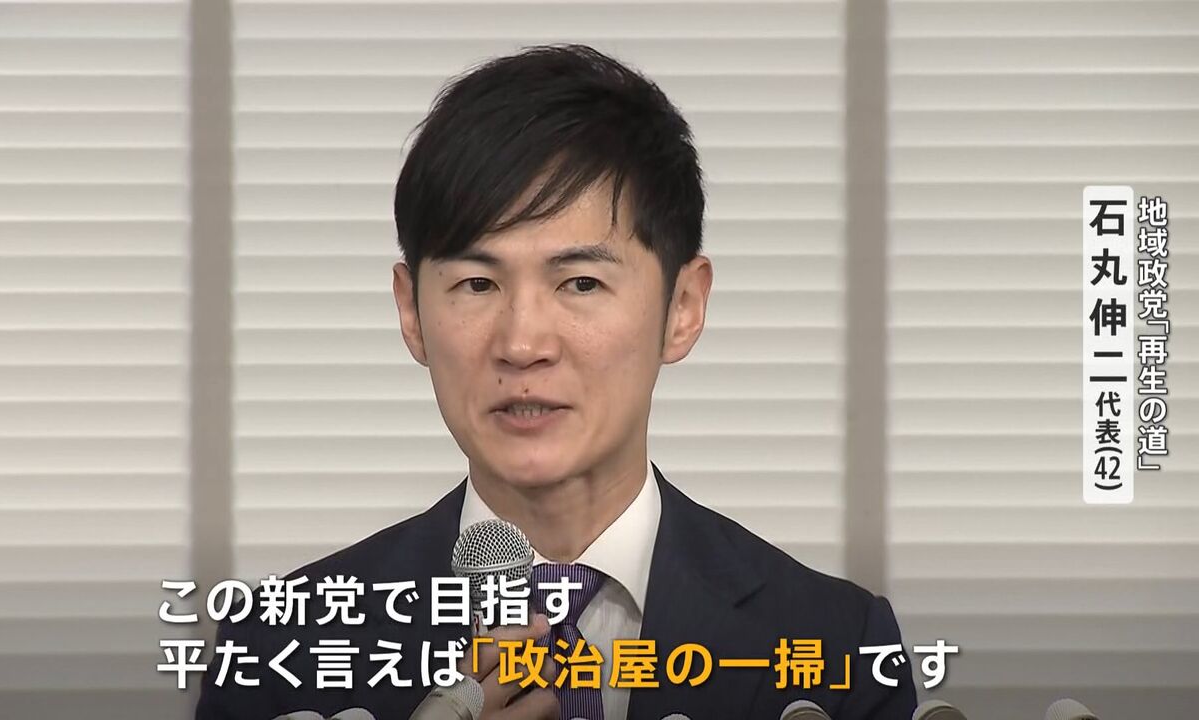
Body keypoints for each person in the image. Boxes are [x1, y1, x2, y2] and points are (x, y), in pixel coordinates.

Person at [197, 43, 916, 720]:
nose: (522, 344)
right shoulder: (278, 650)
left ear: (683, 308)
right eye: (477, 284)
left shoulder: (838, 646)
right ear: (411, 312)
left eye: (580, 283)